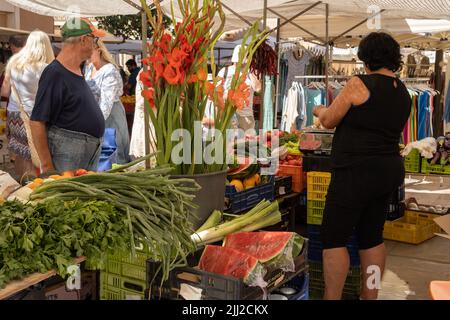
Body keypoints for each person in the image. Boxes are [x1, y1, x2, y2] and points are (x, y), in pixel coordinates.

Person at [312, 32, 411, 300]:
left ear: (366, 57)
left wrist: (319, 111)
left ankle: (332, 297)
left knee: (334, 239)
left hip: (355, 172)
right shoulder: (402, 91)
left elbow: (331, 119)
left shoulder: (359, 83)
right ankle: (371, 296)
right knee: (372, 238)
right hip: (387, 171)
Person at [30, 18, 107, 174]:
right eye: (94, 39)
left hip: (82, 152)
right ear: (84, 40)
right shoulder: (55, 73)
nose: (95, 45)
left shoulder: (77, 70)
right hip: (68, 154)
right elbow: (37, 122)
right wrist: (47, 166)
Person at [0, 31, 53, 178]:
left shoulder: (14, 64)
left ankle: (22, 185)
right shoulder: (45, 68)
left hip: (15, 113)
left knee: (20, 153)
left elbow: (4, 92)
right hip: (36, 116)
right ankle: (34, 187)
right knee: (37, 154)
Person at [85, 40, 131, 165]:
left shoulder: (109, 70)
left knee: (111, 158)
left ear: (99, 50)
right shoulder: (89, 68)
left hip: (109, 118)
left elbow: (106, 104)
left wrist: (92, 124)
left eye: (89, 50)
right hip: (95, 117)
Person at [217, 45, 261, 132]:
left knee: (245, 144)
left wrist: (249, 70)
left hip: (245, 116)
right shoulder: (224, 71)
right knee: (229, 143)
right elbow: (217, 92)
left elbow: (258, 88)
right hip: (227, 114)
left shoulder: (252, 72)